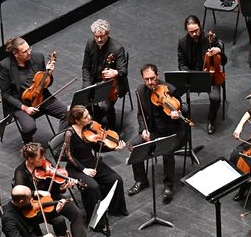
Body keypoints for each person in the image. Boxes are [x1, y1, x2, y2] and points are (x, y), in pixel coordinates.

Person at [63, 105, 128, 235]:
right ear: (77, 120)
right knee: (93, 187)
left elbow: (99, 147)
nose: (90, 118)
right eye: (86, 117)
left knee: (116, 179)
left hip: (92, 162)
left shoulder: (90, 128)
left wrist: (113, 148)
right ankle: (97, 223)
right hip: (76, 167)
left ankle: (115, 208)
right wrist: (83, 169)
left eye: (88, 115)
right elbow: (68, 156)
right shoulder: (69, 133)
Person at [127, 64, 186, 204]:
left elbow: (185, 110)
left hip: (172, 132)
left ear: (157, 75)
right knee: (134, 146)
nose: (150, 83)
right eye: (146, 79)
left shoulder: (170, 89)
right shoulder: (140, 91)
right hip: (153, 131)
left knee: (167, 151)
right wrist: (143, 130)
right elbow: (140, 115)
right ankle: (141, 180)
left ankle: (168, 186)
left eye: (152, 78)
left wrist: (177, 114)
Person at [0, 37, 68, 143]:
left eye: (29, 48)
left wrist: (48, 74)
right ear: (16, 54)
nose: (29, 52)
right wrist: (25, 108)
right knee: (29, 128)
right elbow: (5, 94)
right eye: (25, 51)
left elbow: (46, 84)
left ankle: (59, 143)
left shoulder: (38, 57)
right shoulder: (6, 65)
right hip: (21, 103)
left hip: (41, 97)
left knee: (68, 113)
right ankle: (28, 145)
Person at [12, 143, 87, 237]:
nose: (44, 159)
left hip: (50, 197)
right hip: (35, 207)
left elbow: (53, 187)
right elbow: (21, 197)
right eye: (40, 158)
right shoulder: (20, 173)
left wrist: (61, 188)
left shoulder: (44, 164)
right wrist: (36, 192)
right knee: (59, 219)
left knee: (77, 213)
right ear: (31, 159)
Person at [177, 14, 227, 134]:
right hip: (193, 76)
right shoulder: (182, 42)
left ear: (200, 26)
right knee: (173, 93)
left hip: (211, 77)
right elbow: (181, 64)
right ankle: (183, 118)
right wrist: (191, 74)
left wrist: (219, 51)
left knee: (215, 98)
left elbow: (224, 61)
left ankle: (211, 120)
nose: (194, 34)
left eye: (196, 30)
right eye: (191, 32)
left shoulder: (211, 39)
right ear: (187, 30)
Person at [82, 19, 128, 130]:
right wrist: (87, 85)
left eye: (102, 36)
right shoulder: (90, 43)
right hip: (95, 78)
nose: (99, 39)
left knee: (106, 106)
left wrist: (115, 72)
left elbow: (123, 70)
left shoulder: (117, 48)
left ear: (107, 34)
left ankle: (112, 128)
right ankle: (97, 116)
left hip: (113, 83)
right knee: (84, 100)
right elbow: (86, 67)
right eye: (96, 36)